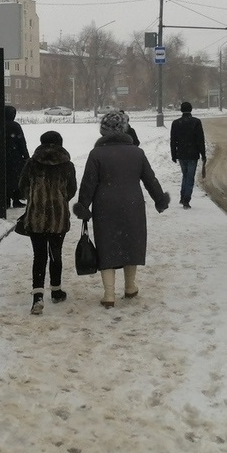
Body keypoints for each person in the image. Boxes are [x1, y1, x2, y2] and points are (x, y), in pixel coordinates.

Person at [73, 111, 170, 308]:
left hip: (104, 206)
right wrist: (159, 199)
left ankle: (109, 295)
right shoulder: (137, 152)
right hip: (132, 204)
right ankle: (130, 287)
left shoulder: (96, 154)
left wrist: (83, 206)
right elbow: (150, 179)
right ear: (124, 129)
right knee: (130, 243)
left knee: (106, 245)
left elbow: (88, 183)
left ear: (103, 130)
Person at [16, 130, 78, 315]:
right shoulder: (67, 165)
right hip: (58, 217)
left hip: (36, 216)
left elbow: (22, 187)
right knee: (55, 254)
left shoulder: (32, 164)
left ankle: (38, 297)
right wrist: (59, 199)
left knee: (39, 256)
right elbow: (72, 190)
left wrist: (35, 198)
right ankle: (57, 291)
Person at [169, 101, 207, 208]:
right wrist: (203, 154)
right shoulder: (196, 122)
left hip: (181, 153)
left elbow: (173, 140)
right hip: (193, 153)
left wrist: (173, 154)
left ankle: (183, 196)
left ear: (181, 110)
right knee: (190, 177)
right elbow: (200, 140)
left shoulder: (176, 123)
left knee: (185, 175)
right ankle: (186, 199)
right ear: (191, 109)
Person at [4, 105, 30, 208]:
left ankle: (5, 200)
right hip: (15, 157)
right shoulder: (15, 126)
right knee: (15, 179)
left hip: (3, 156)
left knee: (5, 179)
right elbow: (21, 142)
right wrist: (26, 156)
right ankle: (15, 199)